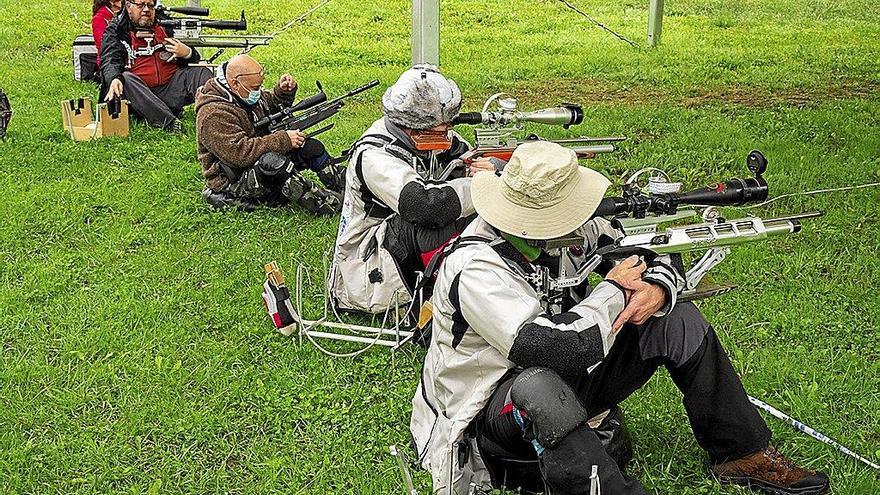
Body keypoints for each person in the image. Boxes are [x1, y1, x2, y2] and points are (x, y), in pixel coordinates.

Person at [410, 141, 830, 495]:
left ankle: (742, 453)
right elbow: (553, 348)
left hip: (566, 372)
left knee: (677, 319)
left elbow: (652, 251)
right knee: (539, 384)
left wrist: (657, 287)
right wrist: (612, 290)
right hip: (488, 410)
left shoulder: (575, 227)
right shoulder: (475, 266)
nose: (581, 217)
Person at [329, 64, 495, 314]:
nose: (448, 133)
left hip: (396, 253)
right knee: (440, 217)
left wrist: (493, 167)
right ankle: (454, 287)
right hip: (367, 265)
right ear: (414, 126)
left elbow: (467, 158)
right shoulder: (374, 155)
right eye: (442, 128)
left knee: (484, 212)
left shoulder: (430, 137)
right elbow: (425, 206)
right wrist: (485, 185)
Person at [195, 54, 343, 214]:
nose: (258, 91)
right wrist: (284, 140)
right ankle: (327, 204)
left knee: (311, 147)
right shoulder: (213, 114)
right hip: (232, 180)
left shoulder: (240, 93)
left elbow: (268, 105)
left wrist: (282, 92)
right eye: (255, 88)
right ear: (235, 83)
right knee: (273, 162)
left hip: (254, 163)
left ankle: (344, 185)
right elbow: (240, 154)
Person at [99, 0, 211, 130]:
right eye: (141, 5)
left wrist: (187, 53)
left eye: (150, 5)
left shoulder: (166, 24)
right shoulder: (116, 28)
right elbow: (109, 59)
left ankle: (215, 115)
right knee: (126, 78)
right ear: (129, 6)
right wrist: (114, 78)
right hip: (138, 94)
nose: (146, 9)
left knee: (201, 73)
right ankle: (169, 123)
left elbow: (193, 56)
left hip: (171, 87)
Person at [91, 0, 122, 69]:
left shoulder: (120, 15)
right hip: (109, 62)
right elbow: (103, 45)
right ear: (112, 1)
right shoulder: (100, 18)